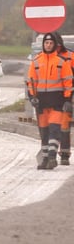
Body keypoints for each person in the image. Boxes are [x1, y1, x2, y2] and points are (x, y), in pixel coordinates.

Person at [28, 33, 73, 170]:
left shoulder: (61, 62)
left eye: (51, 43)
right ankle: (45, 159)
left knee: (55, 130)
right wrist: (32, 97)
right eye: (46, 43)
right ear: (43, 44)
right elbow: (31, 82)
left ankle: (53, 156)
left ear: (55, 45)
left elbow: (68, 82)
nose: (48, 45)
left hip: (57, 103)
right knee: (44, 132)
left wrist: (68, 99)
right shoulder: (36, 61)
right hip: (41, 103)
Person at [51, 32, 73, 165]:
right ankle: (50, 154)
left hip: (67, 97)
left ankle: (64, 154)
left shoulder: (70, 56)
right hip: (51, 97)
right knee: (52, 126)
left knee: (64, 126)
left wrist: (69, 98)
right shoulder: (46, 57)